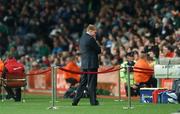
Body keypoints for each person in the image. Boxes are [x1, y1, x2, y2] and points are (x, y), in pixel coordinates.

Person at [72, 24, 101, 106]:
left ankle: (75, 100)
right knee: (92, 83)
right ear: (90, 31)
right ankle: (93, 101)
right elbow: (99, 50)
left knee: (82, 83)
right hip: (91, 64)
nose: (95, 34)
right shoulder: (91, 39)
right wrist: (95, 41)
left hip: (84, 64)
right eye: (94, 32)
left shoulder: (82, 38)